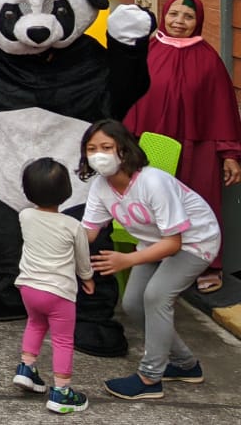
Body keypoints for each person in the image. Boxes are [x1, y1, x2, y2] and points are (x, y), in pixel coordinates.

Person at [80, 119, 218, 401]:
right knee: (132, 304)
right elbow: (88, 233)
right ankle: (185, 365)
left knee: (156, 296)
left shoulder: (152, 181)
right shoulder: (100, 187)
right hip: (156, 243)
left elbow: (174, 242)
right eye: (91, 149)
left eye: (106, 147)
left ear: (124, 149)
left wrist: (127, 260)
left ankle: (150, 378)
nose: (99, 155)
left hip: (195, 241)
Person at [122, 0, 241, 293]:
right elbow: (129, 96)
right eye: (174, 14)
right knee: (154, 203)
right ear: (164, 15)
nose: (179, 22)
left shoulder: (209, 59)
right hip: (150, 144)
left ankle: (206, 264)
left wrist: (229, 154)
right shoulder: (148, 51)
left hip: (195, 146)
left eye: (188, 17)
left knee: (200, 205)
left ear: (197, 21)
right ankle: (157, 259)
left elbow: (222, 108)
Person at [11, 158, 93, 414]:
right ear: (67, 191)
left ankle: (27, 368)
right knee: (62, 340)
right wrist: (87, 277)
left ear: (28, 191)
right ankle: (62, 392)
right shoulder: (73, 225)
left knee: (35, 324)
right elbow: (82, 258)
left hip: (28, 288)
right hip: (59, 293)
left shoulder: (25, 216)